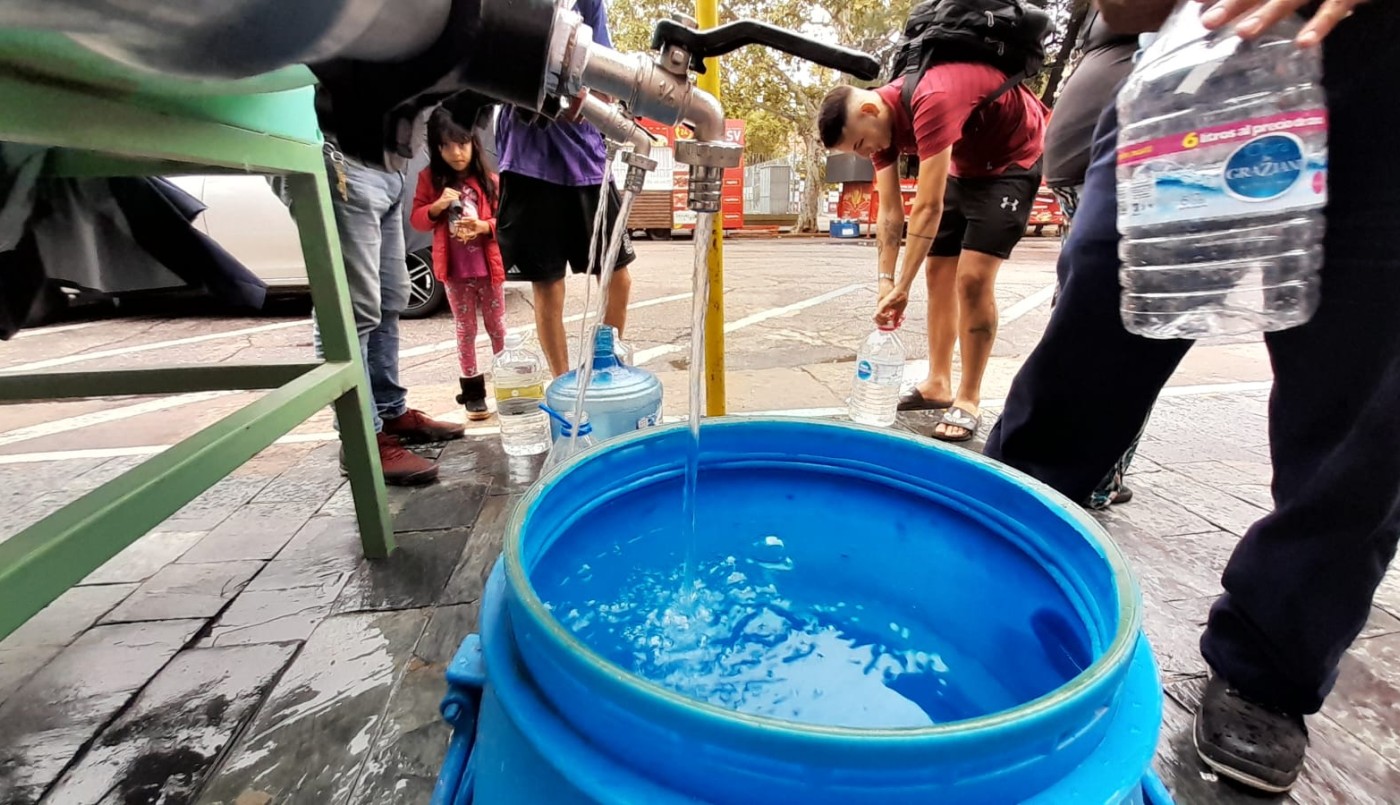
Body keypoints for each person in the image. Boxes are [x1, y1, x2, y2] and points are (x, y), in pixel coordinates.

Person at [984, 0, 1399, 793]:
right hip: (1196, 77)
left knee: (1363, 418)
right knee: (1084, 351)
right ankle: (994, 565)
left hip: (1382, 79)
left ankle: (1267, 669)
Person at [818, 59, 1047, 443]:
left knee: (972, 278)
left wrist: (902, 288)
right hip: (966, 166)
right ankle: (938, 383)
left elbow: (927, 206)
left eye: (860, 144)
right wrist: (886, 282)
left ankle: (969, 397)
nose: (866, 152)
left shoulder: (932, 98)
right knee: (938, 271)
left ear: (870, 110)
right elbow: (891, 212)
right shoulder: (878, 127)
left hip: (1012, 159)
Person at [311, 89, 465, 486]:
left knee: (390, 296)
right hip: (340, 154)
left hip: (388, 163)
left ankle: (389, 411)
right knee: (351, 309)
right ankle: (361, 437)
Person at [494, 0, 636, 378]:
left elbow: (605, 72)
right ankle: (562, 382)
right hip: (529, 162)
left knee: (617, 276)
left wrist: (589, 92)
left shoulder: (587, 2)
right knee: (548, 283)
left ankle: (605, 372)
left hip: (586, 160)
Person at [1041, 8, 1143, 509]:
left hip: (1159, 157)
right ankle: (1055, 480)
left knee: (1114, 326)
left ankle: (1097, 476)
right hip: (1088, 177)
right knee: (1077, 325)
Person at [411, 107, 507, 422]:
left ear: (473, 144)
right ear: (436, 148)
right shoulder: (430, 180)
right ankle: (473, 393)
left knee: (498, 328)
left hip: (488, 269)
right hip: (455, 272)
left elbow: (504, 222)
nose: (456, 153)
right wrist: (436, 207)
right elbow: (418, 219)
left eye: (462, 143)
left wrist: (484, 226)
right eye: (447, 146)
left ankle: (508, 386)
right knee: (465, 330)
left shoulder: (489, 179)